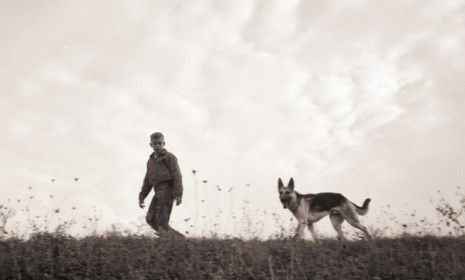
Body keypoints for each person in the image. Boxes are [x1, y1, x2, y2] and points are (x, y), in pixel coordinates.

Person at [139, 132, 184, 237]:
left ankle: (171, 241)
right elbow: (147, 180)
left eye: (159, 143)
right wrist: (142, 196)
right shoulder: (150, 161)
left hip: (168, 189)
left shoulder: (169, 157)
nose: (157, 146)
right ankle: (177, 239)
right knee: (150, 219)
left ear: (164, 143)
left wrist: (178, 194)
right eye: (155, 144)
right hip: (157, 191)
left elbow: (177, 175)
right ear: (151, 145)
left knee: (162, 222)